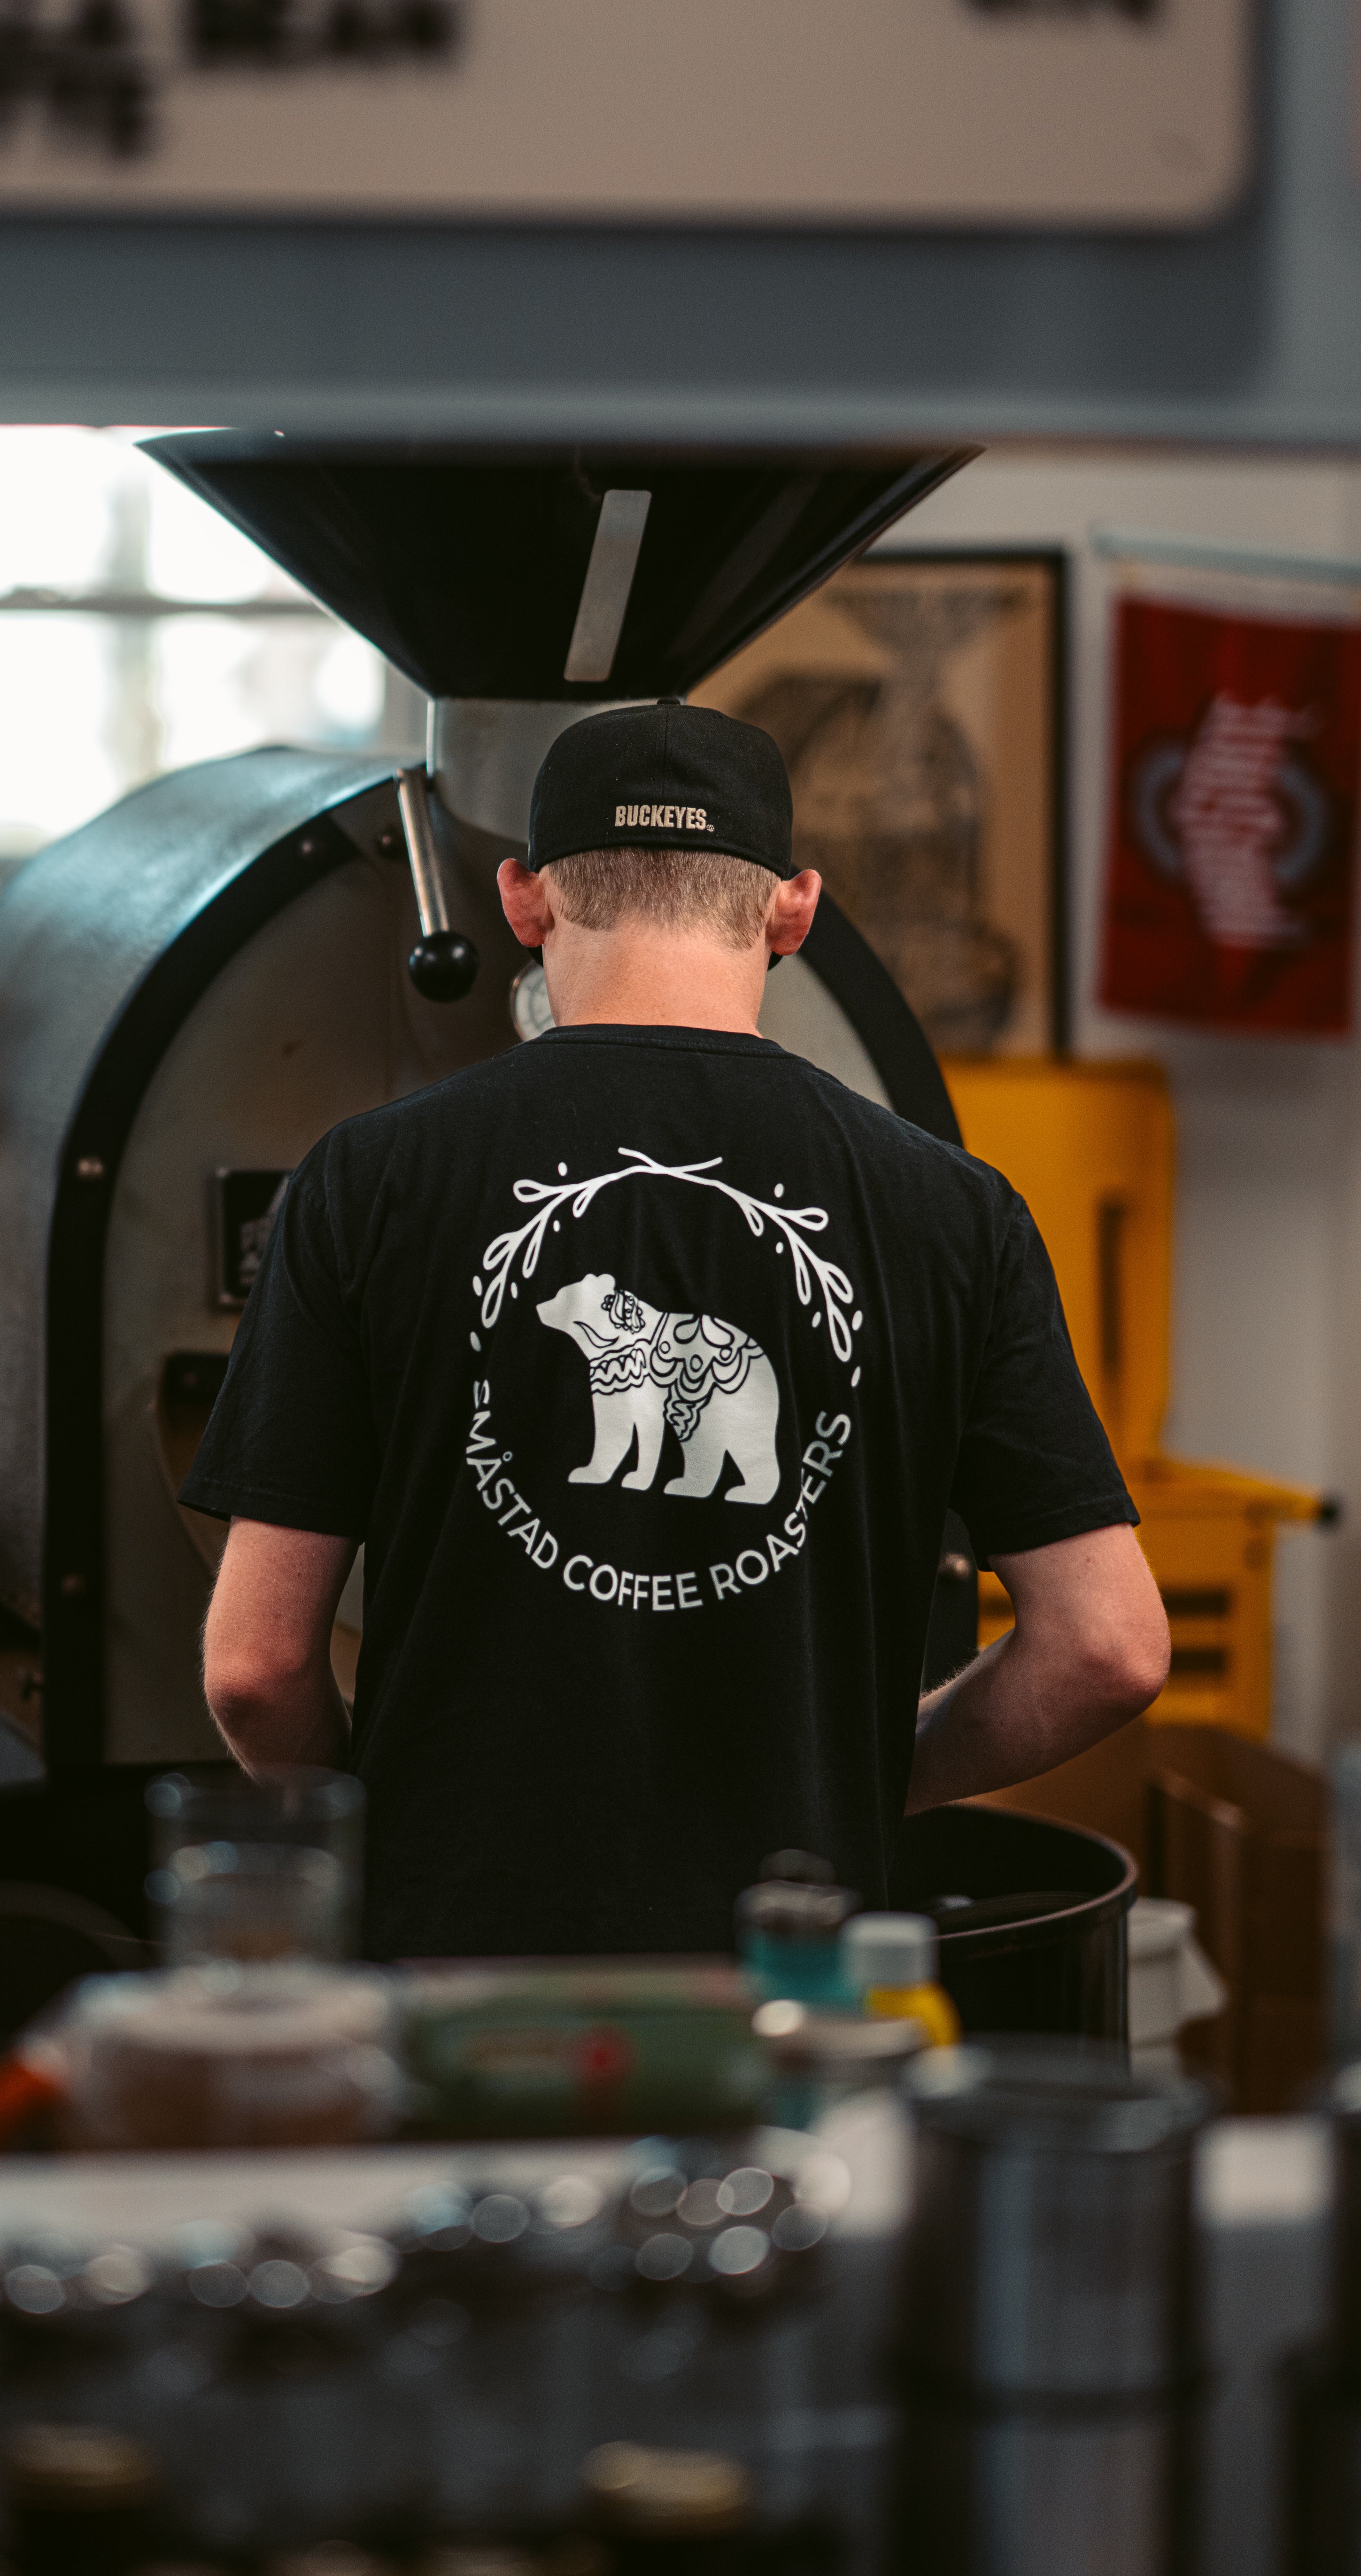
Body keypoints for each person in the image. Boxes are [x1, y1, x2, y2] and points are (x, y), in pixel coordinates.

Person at [178, 703, 1169, 1959]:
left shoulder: (366, 1180)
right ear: (794, 910)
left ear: (524, 900)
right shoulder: (956, 1213)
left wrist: (374, 1835)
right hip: (792, 1956)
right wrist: (870, 1778)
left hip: (453, 1958)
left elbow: (254, 1667)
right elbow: (1109, 1649)